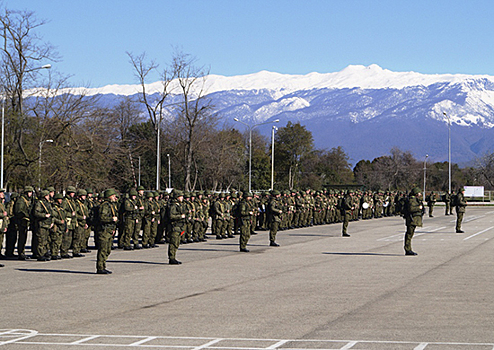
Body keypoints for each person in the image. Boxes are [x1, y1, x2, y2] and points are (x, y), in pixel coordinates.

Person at [96, 188, 118, 274]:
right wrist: (111, 219)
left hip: (109, 230)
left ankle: (103, 266)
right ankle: (100, 267)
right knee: (103, 249)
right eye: (113, 196)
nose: (115, 197)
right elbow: (102, 218)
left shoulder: (111, 205)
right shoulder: (104, 205)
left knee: (107, 249)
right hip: (104, 230)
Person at [168, 190, 186, 264]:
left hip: (179, 226)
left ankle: (173, 257)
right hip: (174, 226)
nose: (182, 198)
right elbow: (171, 216)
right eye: (180, 196)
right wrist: (180, 216)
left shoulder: (179, 205)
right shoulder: (173, 206)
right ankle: (172, 258)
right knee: (173, 242)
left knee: (177, 242)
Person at [404, 187, 424, 256]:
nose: (420, 194)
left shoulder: (415, 199)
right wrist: (419, 208)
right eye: (419, 193)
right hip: (411, 219)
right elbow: (411, 209)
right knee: (409, 234)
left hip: (413, 219)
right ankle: (408, 249)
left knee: (410, 234)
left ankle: (408, 249)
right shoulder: (412, 200)